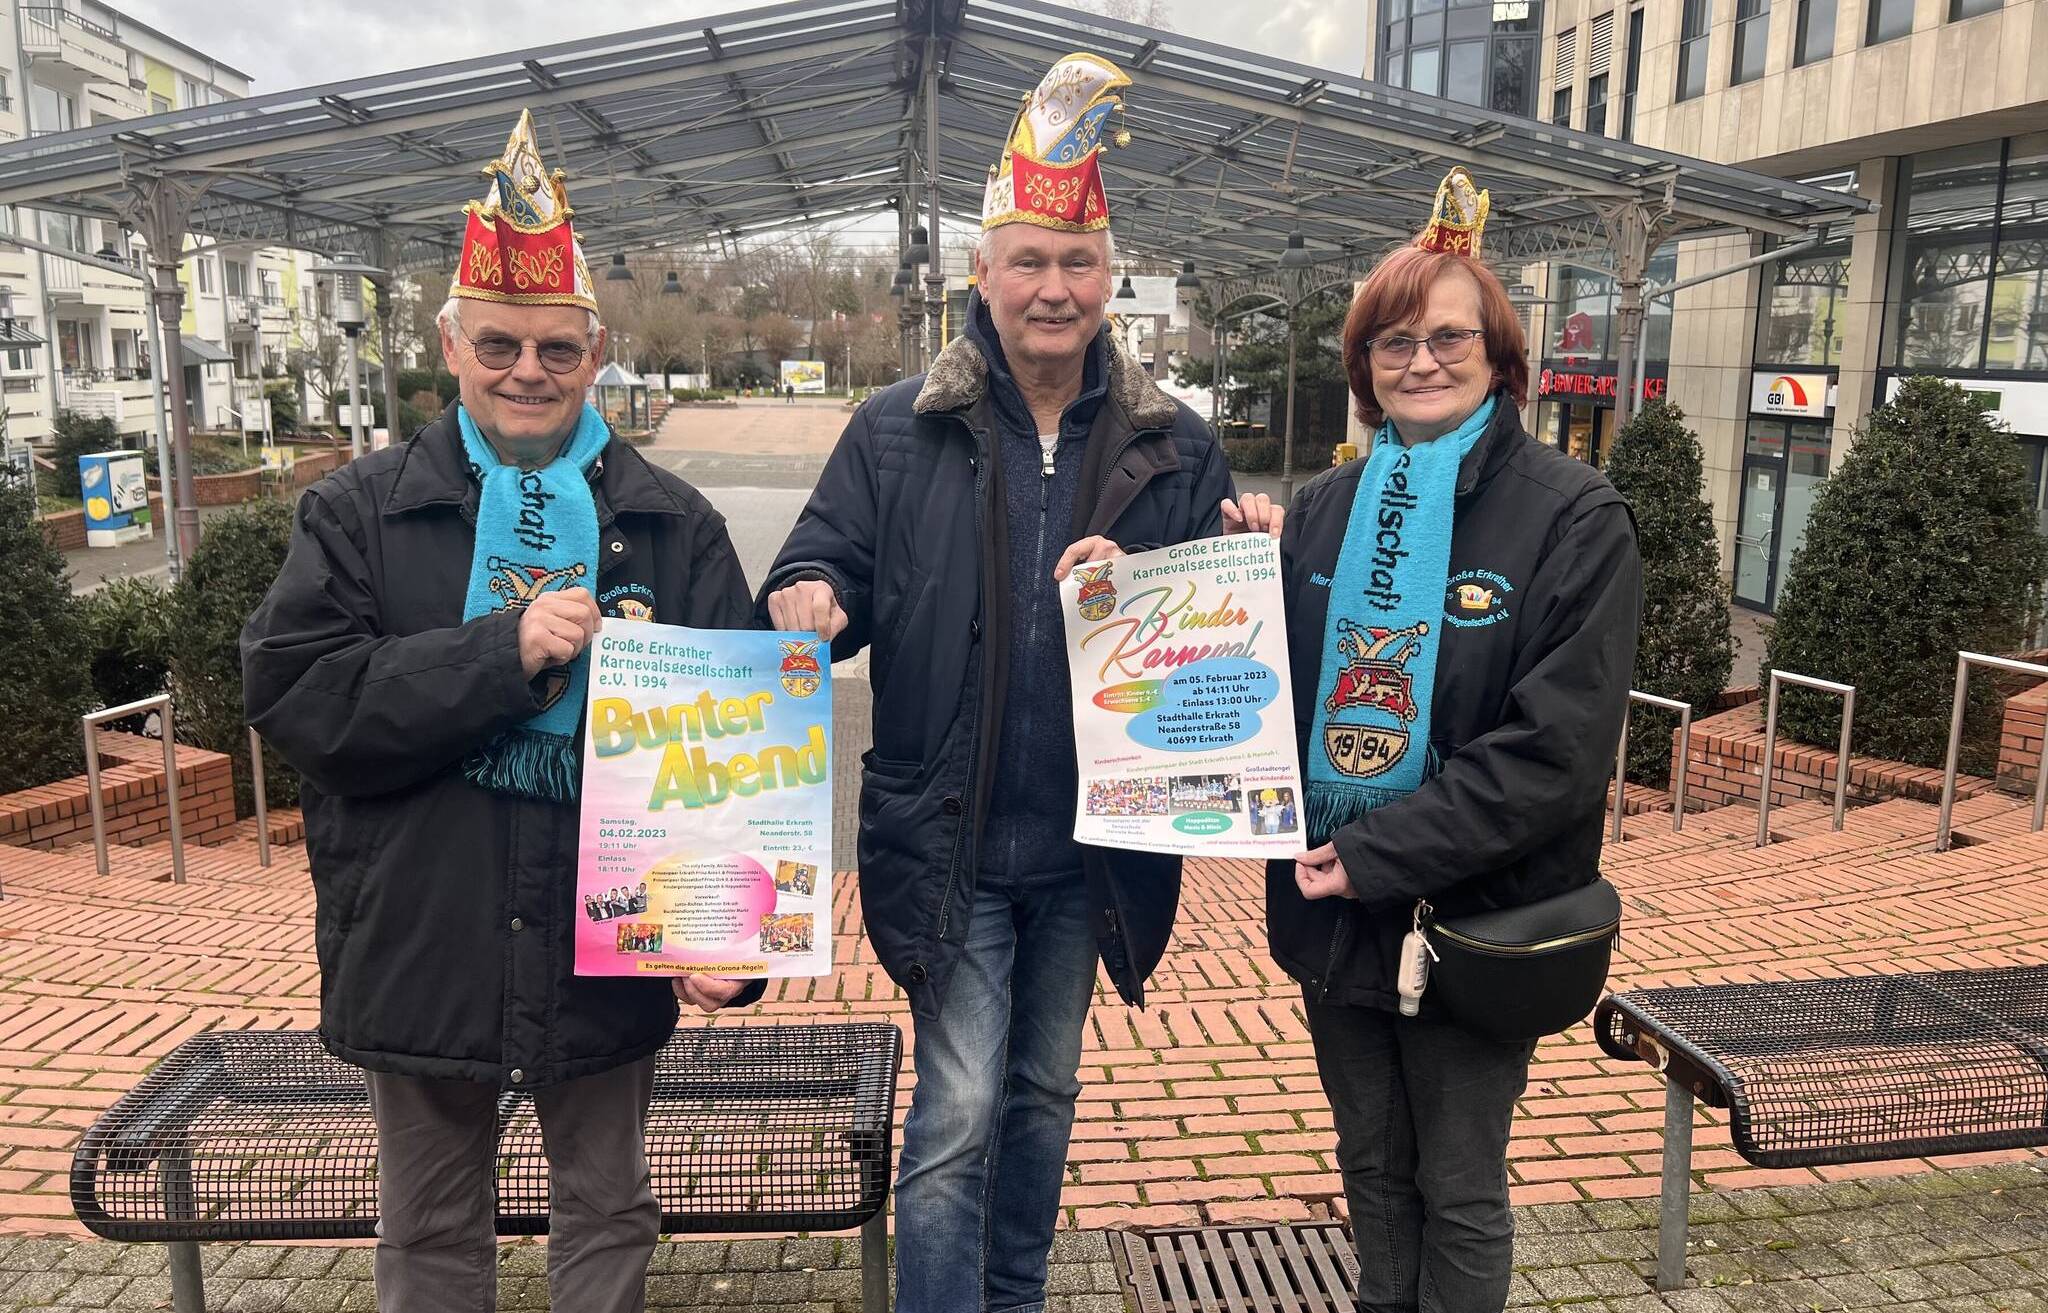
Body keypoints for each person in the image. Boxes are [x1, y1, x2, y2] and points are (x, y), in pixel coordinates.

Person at [761, 52, 1277, 1313]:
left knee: (1044, 1095)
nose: (1052, 287)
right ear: (981, 275)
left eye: (1076, 261)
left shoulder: (1176, 438)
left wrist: (1260, 555)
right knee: (958, 1110)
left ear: (1110, 279)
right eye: (1027, 261)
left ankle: (1014, 1294)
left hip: (1094, 849)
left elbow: (1222, 629)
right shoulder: (897, 427)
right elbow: (823, 556)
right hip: (947, 841)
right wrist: (807, 595)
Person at [241, 111, 762, 1313]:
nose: (526, 369)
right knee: (427, 1226)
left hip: (606, 944)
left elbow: (732, 750)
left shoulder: (673, 522)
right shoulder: (360, 512)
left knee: (610, 1209)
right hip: (422, 934)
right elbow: (302, 699)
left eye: (554, 349)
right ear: (450, 345)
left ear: (595, 354)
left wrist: (726, 938)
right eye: (498, 344)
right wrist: (498, 652)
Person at [1267, 169, 1641, 1313]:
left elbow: (1555, 749)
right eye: (1390, 341)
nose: (1417, 361)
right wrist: (1152, 592)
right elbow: (1254, 692)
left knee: (1460, 1184)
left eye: (1444, 337)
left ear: (1499, 357)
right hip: (1337, 918)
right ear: (1361, 364)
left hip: (1475, 918)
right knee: (1373, 1172)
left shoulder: (1572, 515)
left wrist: (1380, 851)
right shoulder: (1323, 508)